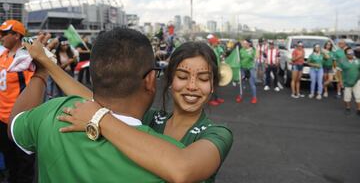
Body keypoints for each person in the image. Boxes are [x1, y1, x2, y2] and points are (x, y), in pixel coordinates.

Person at [17, 32, 233, 182]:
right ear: (168, 80)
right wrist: (47, 64)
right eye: (183, 76)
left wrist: (99, 118)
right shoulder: (151, 119)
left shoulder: (216, 134)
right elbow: (94, 98)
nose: (193, 86)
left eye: (203, 79)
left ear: (213, 85)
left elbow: (183, 170)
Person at [0, 19, 35, 183]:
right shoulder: (2, 55)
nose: (1, 37)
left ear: (16, 35)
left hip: (19, 120)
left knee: (24, 166)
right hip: (1, 120)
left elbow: (34, 90)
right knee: (9, 161)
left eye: (4, 33)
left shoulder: (26, 59)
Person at [337, 47, 360, 115]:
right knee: (347, 96)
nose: (351, 55)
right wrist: (340, 81)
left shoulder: (358, 60)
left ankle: (359, 109)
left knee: (358, 96)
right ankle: (348, 108)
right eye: (349, 54)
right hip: (346, 82)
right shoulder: (342, 61)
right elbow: (339, 72)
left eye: (352, 53)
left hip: (357, 81)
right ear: (346, 54)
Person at [236, 39, 257, 104]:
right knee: (241, 83)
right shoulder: (241, 50)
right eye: (243, 43)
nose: (243, 44)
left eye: (245, 43)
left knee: (251, 84)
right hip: (242, 69)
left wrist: (253, 53)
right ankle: (241, 95)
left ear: (249, 44)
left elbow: (256, 57)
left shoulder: (253, 50)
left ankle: (254, 97)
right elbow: (238, 58)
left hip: (250, 69)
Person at [207, 35, 225, 106]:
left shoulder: (217, 48)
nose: (217, 43)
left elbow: (222, 54)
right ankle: (210, 100)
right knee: (211, 84)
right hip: (211, 68)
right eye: (216, 42)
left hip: (216, 68)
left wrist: (222, 55)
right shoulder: (209, 49)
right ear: (212, 43)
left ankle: (216, 98)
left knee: (216, 84)